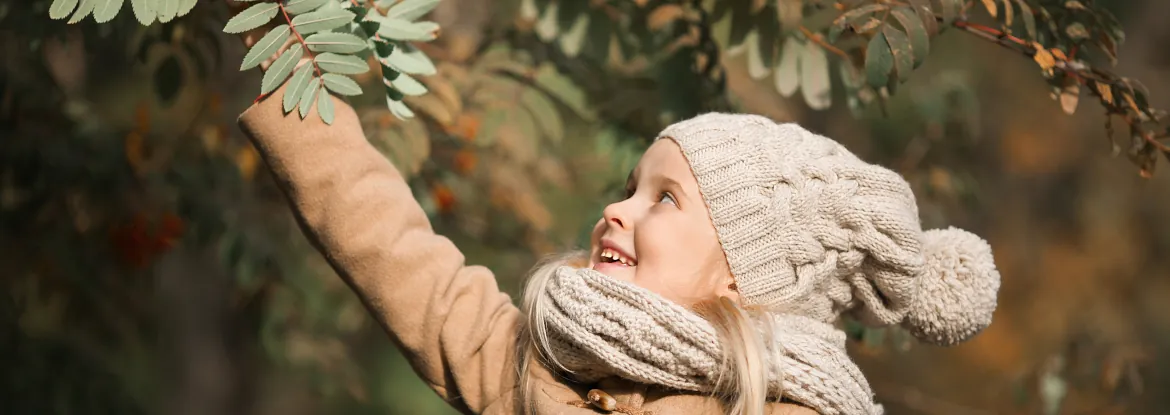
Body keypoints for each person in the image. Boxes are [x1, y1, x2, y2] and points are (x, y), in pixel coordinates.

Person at [236, 31, 1001, 415]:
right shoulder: (544, 371)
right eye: (629, 187)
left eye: (663, 199)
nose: (615, 209)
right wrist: (298, 81)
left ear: (741, 272)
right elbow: (401, 257)